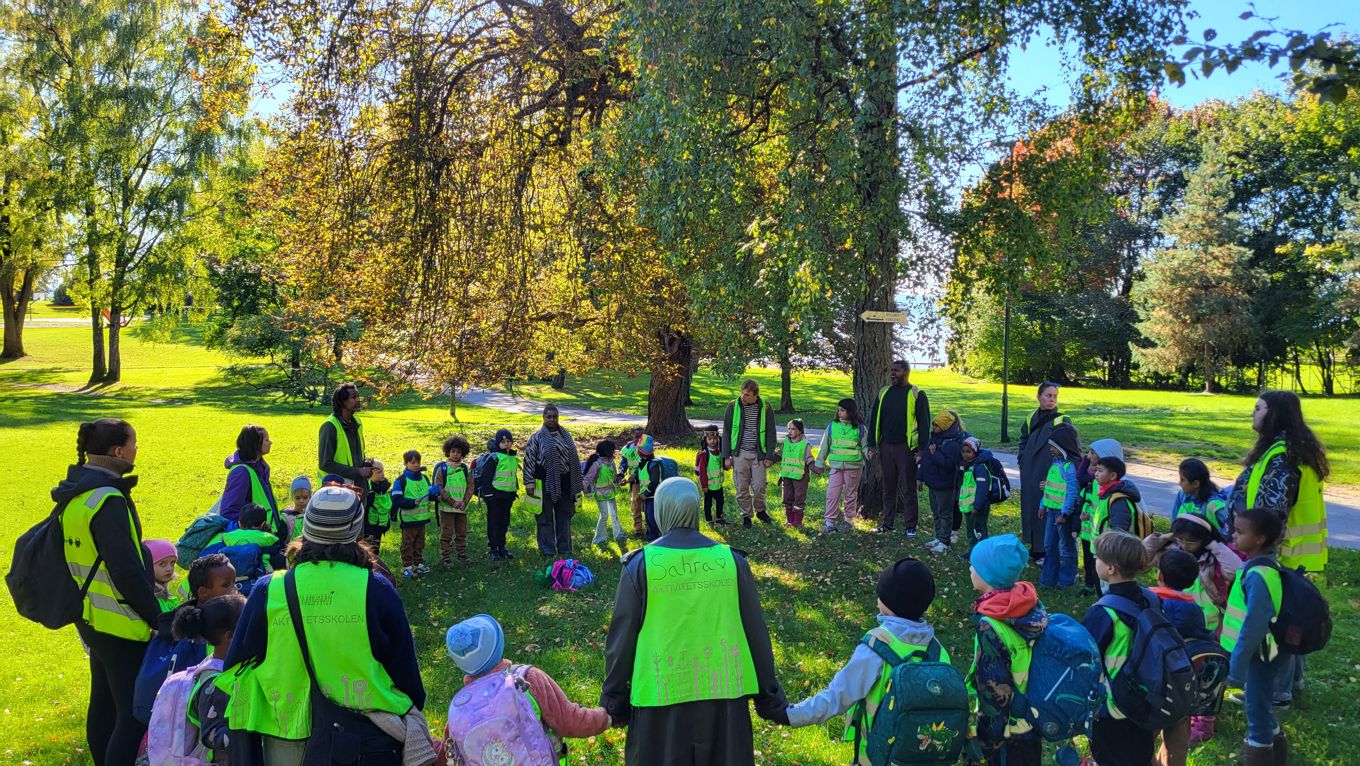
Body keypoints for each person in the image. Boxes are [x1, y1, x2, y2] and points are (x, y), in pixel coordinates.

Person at [222, 485, 426, 765]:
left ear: (306, 527)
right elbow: (405, 671)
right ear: (356, 530)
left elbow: (236, 663)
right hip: (363, 738)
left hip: (287, 733)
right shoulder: (376, 589)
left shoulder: (269, 589)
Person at [601, 477, 788, 764]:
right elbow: (756, 635)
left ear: (661, 511)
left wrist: (614, 702)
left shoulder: (641, 566)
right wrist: (769, 696)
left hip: (659, 700)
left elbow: (621, 641)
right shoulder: (731, 563)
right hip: (724, 698)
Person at [55, 418, 159, 766]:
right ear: (118, 452)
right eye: (134, 443)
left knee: (102, 706)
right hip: (121, 622)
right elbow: (126, 572)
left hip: (90, 618)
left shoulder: (76, 493)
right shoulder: (108, 500)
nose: (136, 449)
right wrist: (158, 617)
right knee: (131, 714)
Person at [784, 557, 949, 764]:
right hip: (926, 758)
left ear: (887, 601)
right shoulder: (939, 651)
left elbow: (837, 697)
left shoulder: (875, 648)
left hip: (876, 757)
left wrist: (790, 715)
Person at [444, 614, 610, 762]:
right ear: (498, 646)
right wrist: (606, 718)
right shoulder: (526, 678)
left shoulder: (460, 708)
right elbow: (569, 721)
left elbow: (449, 755)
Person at [966, 534, 1048, 766]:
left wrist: (985, 744)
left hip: (1006, 735)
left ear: (989, 576)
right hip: (1032, 722)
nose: (971, 568)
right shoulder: (1029, 607)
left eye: (976, 565)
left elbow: (995, 693)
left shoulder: (991, 627)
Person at [1231, 389, 1329, 575]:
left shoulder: (1282, 457)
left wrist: (1260, 553)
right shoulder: (1282, 450)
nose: (1252, 413)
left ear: (1274, 414)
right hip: (1281, 558)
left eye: (1258, 408)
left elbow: (1272, 513)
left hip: (1279, 560)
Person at [1220, 507, 1290, 766]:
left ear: (1260, 539)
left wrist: (1236, 669)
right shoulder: (1260, 567)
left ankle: (1260, 754)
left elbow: (1253, 627)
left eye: (1240, 532)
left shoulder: (1259, 575)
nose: (1233, 536)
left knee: (1256, 711)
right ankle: (1277, 752)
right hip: (1262, 651)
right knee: (1259, 703)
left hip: (1260, 653)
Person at [1082, 531, 1157, 766]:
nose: (1095, 562)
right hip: (1147, 696)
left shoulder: (1104, 611)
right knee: (1141, 755)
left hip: (1113, 703)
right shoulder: (1151, 599)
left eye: (1097, 558)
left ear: (1111, 569)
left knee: (1110, 757)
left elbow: (1087, 654)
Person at [1148, 549, 1214, 766]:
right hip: (1183, 682)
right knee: (1177, 731)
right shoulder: (1194, 610)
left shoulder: (1147, 601)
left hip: (1150, 681)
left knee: (1144, 733)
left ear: (1160, 575)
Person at [171, 593, 247, 766]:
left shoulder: (227, 668)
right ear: (230, 636)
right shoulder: (215, 682)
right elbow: (212, 733)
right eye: (248, 625)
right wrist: (249, 733)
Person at [1144, 512, 1241, 635]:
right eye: (1180, 538)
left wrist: (1213, 544)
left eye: (1191, 541)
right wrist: (1163, 538)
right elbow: (1143, 557)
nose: (1184, 545)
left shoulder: (1212, 558)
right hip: (1173, 608)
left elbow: (1234, 571)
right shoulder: (1171, 552)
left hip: (1206, 616)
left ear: (1203, 539)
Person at [866, 360, 931, 536]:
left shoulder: (916, 394)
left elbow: (925, 424)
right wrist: (872, 444)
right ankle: (888, 523)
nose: (893, 373)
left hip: (906, 448)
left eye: (897, 370)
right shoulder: (884, 393)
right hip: (886, 446)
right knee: (888, 487)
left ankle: (911, 526)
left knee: (908, 488)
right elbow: (874, 420)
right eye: (891, 370)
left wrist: (921, 450)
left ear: (906, 372)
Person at [1017, 381, 1072, 563]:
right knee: (1030, 507)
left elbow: (1069, 448)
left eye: (1055, 396)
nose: (1052, 400)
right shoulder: (1031, 416)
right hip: (1029, 469)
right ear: (1039, 397)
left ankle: (1045, 550)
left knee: (1046, 509)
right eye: (1048, 395)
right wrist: (1022, 460)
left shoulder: (1061, 420)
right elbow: (1023, 440)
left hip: (1049, 471)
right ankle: (1034, 546)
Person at [523, 404, 584, 557]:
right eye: (548, 417)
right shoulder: (536, 437)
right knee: (545, 518)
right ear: (543, 418)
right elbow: (529, 460)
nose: (552, 419)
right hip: (543, 482)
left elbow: (573, 459)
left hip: (565, 481)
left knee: (564, 516)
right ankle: (548, 550)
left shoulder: (566, 436)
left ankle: (565, 549)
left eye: (554, 417)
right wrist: (529, 482)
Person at [720, 379, 778, 527]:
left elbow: (771, 432)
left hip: (759, 453)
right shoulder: (733, 406)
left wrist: (770, 455)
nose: (743, 397)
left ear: (755, 396)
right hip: (740, 453)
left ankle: (761, 511)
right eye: (742, 393)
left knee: (759, 486)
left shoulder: (766, 407)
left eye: (747, 395)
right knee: (741, 486)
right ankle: (746, 515)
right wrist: (726, 456)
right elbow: (726, 432)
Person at [1038, 422, 1082, 589]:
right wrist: (1042, 504)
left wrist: (1065, 514)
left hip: (1063, 514)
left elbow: (1072, 492)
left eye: (1053, 446)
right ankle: (1048, 579)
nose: (1050, 449)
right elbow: (1049, 486)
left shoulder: (1069, 468)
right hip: (1051, 510)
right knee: (1049, 545)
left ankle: (1066, 581)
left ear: (1062, 447)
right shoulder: (1055, 464)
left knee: (1066, 547)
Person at [814, 397, 867, 534]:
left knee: (850, 494)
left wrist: (870, 454)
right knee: (832, 493)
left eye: (842, 410)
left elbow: (865, 446)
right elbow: (824, 446)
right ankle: (829, 522)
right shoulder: (832, 426)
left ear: (850, 412)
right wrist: (819, 463)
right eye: (838, 410)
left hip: (854, 467)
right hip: (836, 467)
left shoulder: (860, 429)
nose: (839, 413)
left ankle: (848, 521)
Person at [219, 425, 282, 538]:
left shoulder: (260, 467)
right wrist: (248, 534)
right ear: (256, 445)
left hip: (266, 534)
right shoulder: (241, 472)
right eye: (267, 440)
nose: (270, 443)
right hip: (253, 538)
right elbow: (229, 512)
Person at [1078, 439, 1123, 594]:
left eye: (1092, 453)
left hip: (1109, 544)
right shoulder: (1099, 482)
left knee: (1108, 582)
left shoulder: (1120, 489)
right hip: (1096, 539)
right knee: (1099, 578)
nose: (1089, 456)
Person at [921, 409, 966, 553]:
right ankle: (938, 536)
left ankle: (944, 541)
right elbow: (926, 461)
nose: (934, 428)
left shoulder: (951, 444)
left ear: (945, 427)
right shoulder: (932, 440)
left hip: (945, 485)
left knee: (944, 513)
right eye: (934, 425)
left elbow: (949, 465)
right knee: (936, 512)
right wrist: (919, 477)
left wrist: (935, 454)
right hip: (933, 483)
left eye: (937, 425)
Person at [391, 449, 438, 578]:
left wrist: (434, 494)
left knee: (420, 542)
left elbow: (429, 494)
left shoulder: (424, 478)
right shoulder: (401, 481)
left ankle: (418, 563)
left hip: (422, 519)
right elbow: (396, 499)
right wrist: (411, 502)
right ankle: (407, 565)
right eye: (413, 462)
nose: (416, 465)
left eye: (418, 462)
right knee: (408, 543)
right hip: (408, 519)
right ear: (406, 464)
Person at [318, 381, 371, 493]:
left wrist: (366, 463)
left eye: (358, 396)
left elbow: (356, 455)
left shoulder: (357, 422)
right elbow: (325, 464)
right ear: (342, 402)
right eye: (353, 397)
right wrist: (357, 471)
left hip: (359, 487)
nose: (358, 400)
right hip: (337, 490)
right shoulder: (330, 427)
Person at [477, 429, 519, 561]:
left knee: (504, 522)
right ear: (497, 443)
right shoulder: (494, 458)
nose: (506, 444)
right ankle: (493, 548)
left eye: (508, 441)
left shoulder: (513, 458)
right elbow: (486, 477)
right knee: (494, 522)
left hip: (508, 496)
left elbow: (512, 477)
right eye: (503, 442)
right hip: (495, 496)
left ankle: (502, 546)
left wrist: (514, 492)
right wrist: (488, 495)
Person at [434, 435, 474, 566]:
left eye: (458, 452)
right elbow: (439, 487)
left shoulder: (464, 469)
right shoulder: (442, 469)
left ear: (463, 453)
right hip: (447, 508)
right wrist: (452, 502)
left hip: (462, 508)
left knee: (461, 531)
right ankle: (445, 556)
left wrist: (465, 501)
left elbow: (470, 486)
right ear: (448, 452)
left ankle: (461, 553)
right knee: (447, 532)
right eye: (453, 451)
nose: (456, 454)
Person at [585, 440, 627, 546]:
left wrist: (619, 481)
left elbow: (613, 477)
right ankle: (598, 540)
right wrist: (582, 488)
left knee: (614, 515)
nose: (614, 452)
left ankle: (619, 535)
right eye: (612, 450)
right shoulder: (597, 464)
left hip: (611, 493)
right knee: (604, 516)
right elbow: (588, 479)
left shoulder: (611, 463)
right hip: (600, 494)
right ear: (607, 451)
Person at [1172, 458, 1229, 533]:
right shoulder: (1182, 495)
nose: (1179, 483)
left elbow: (1228, 533)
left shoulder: (1215, 506)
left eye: (1182, 480)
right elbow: (1174, 523)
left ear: (1195, 484)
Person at [957, 437, 994, 546]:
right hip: (969, 507)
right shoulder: (967, 466)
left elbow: (982, 489)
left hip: (978, 508)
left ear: (975, 451)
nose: (965, 454)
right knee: (971, 530)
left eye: (969, 452)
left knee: (980, 531)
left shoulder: (980, 468)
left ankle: (982, 554)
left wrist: (977, 506)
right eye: (963, 452)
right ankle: (972, 551)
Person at [777, 419, 814, 528]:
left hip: (800, 477)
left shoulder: (805, 444)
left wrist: (814, 466)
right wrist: (770, 459)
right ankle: (789, 520)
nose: (790, 431)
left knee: (799, 499)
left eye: (793, 429)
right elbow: (780, 454)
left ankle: (797, 522)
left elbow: (809, 458)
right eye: (789, 428)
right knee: (787, 498)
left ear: (800, 430)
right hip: (787, 476)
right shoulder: (786, 442)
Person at [695, 425, 729, 525]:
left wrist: (727, 466)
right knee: (708, 503)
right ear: (705, 440)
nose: (713, 441)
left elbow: (722, 465)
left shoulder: (720, 452)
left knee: (720, 502)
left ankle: (719, 517)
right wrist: (704, 485)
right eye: (710, 439)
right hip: (709, 486)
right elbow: (702, 471)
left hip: (718, 485)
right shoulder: (704, 454)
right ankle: (709, 519)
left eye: (715, 438)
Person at [619, 427, 647, 538]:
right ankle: (638, 529)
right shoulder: (628, 448)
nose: (638, 440)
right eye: (636, 437)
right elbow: (623, 463)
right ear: (632, 437)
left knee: (647, 504)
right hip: (634, 481)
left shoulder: (646, 447)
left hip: (645, 479)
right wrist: (621, 473)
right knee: (636, 503)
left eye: (641, 437)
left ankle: (650, 526)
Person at [635, 436, 663, 541]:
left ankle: (656, 538)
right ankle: (650, 536)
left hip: (653, 496)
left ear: (642, 451)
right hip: (646, 496)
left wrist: (646, 493)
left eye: (638, 449)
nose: (637, 451)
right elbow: (640, 476)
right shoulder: (642, 462)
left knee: (652, 518)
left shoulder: (653, 464)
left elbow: (654, 481)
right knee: (647, 517)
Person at [365, 460, 393, 555]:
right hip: (369, 527)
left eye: (383, 471)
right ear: (370, 473)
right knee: (368, 551)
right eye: (379, 472)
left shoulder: (384, 487)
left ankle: (375, 567)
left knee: (376, 550)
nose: (383, 474)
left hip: (380, 526)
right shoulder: (368, 490)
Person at [145, 538, 179, 611]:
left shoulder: (167, 593)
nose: (169, 568)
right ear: (149, 565)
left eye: (172, 563)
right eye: (162, 564)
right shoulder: (148, 595)